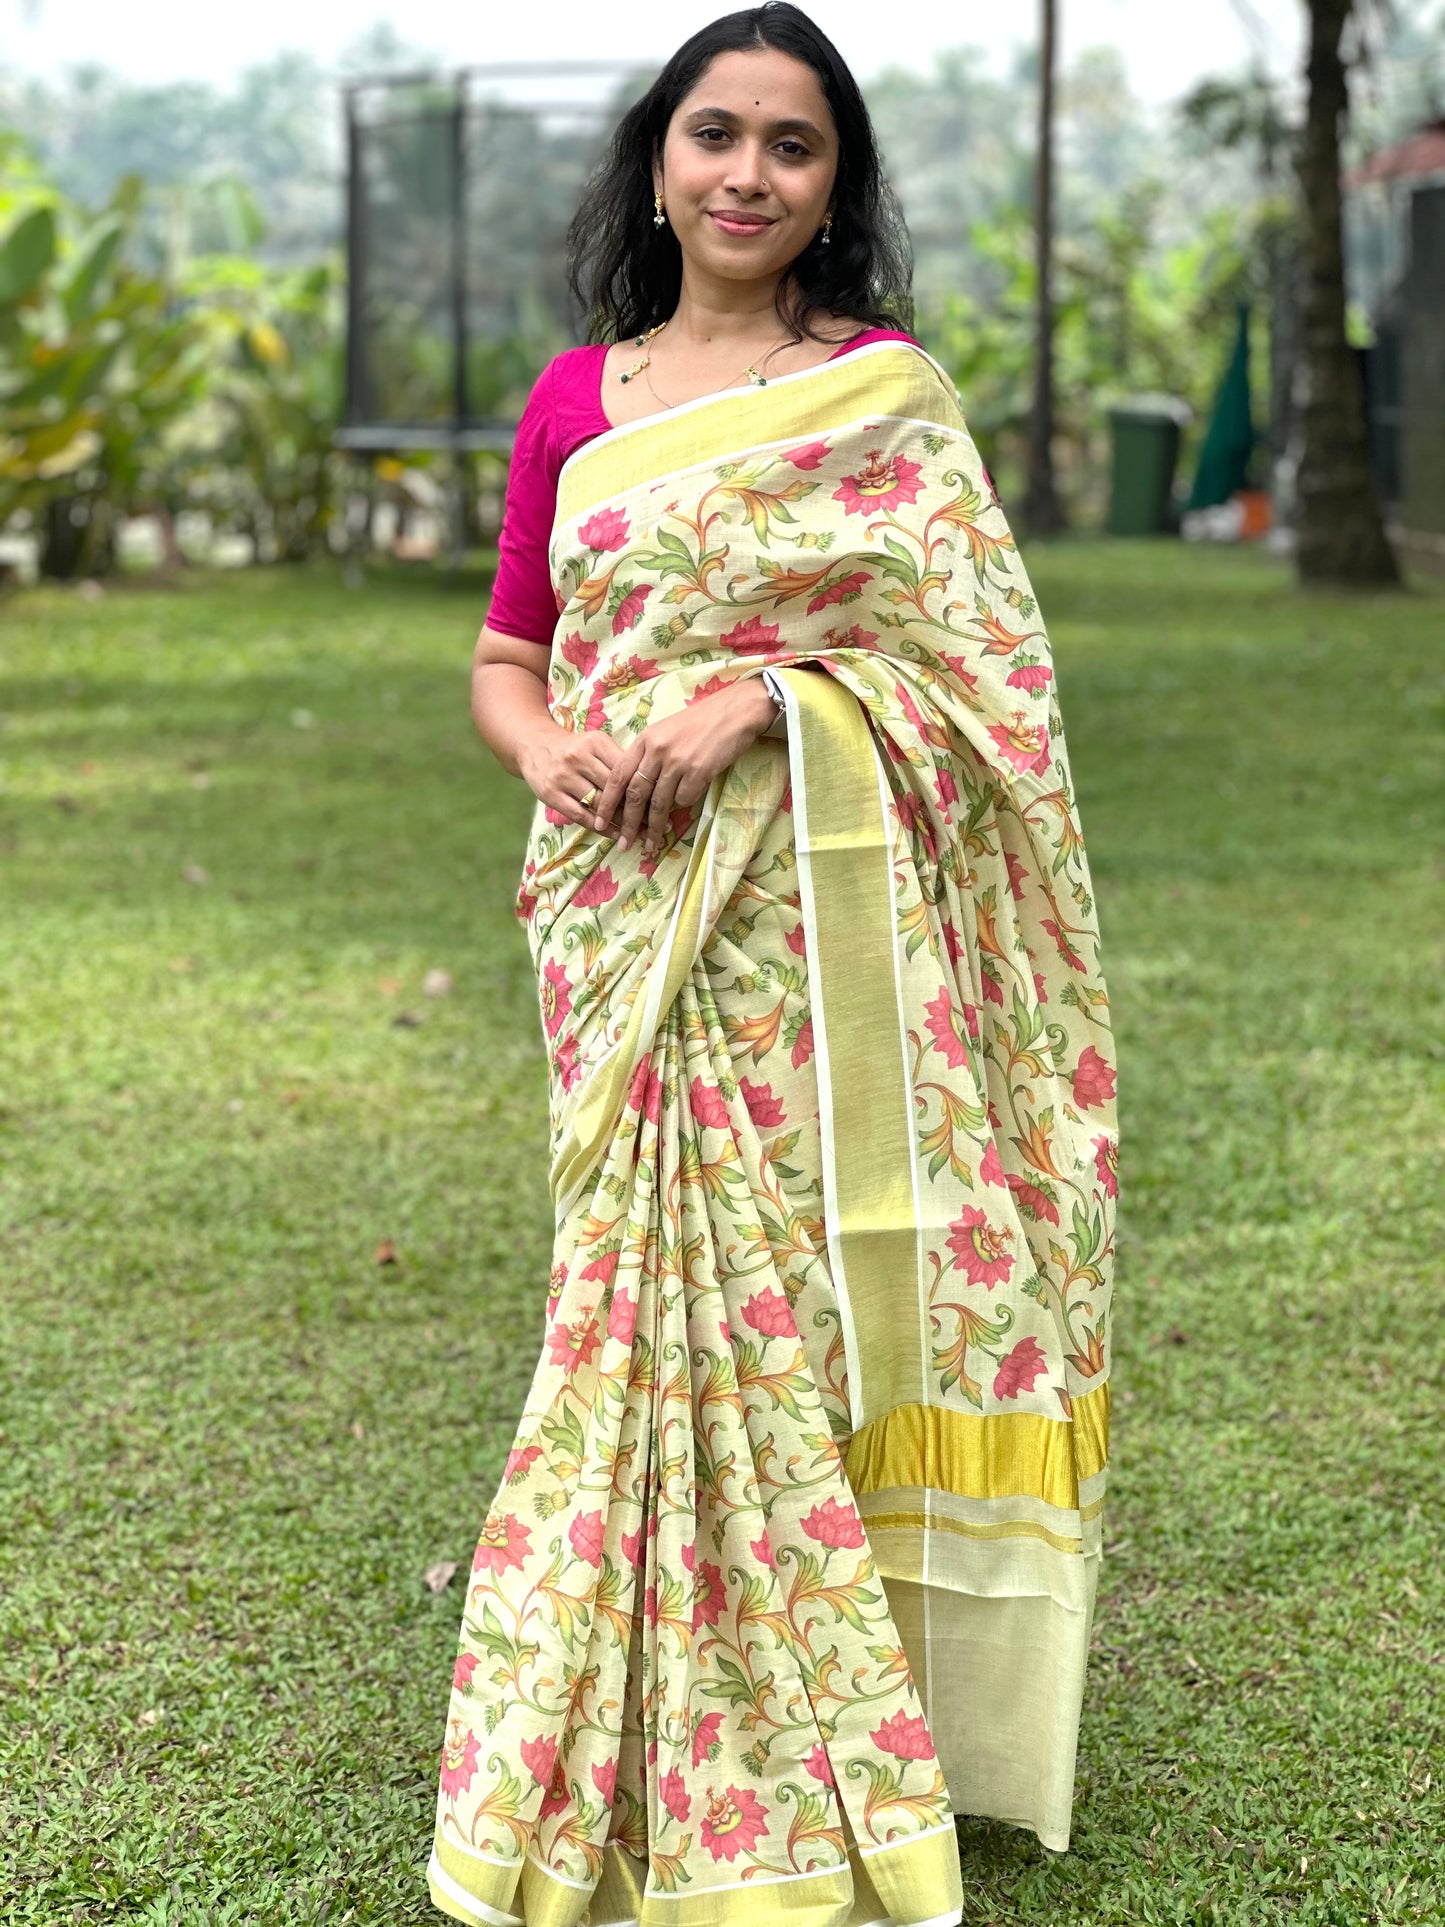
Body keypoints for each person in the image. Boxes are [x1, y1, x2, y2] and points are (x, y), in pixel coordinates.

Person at [428, 8, 1118, 1924]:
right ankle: (637, 1705)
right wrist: (548, 743)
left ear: (834, 186)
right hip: (615, 913)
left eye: (790, 146)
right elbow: (506, 653)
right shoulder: (577, 396)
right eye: (713, 134)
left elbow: (985, 683)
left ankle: (844, 1697)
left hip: (809, 914)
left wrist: (759, 701)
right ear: (656, 160)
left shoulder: (881, 393)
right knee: (629, 1307)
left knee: (801, 1304)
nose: (746, 174)